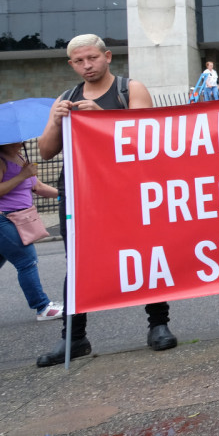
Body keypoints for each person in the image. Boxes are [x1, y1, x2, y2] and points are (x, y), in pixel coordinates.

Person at [35, 34, 178, 366]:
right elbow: (44, 151)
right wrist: (56, 120)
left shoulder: (130, 90)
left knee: (146, 255)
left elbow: (146, 139)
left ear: (107, 56)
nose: (87, 66)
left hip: (126, 190)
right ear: (71, 64)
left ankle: (158, 325)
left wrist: (101, 116)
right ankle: (74, 339)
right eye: (79, 61)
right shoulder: (67, 97)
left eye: (92, 58)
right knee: (79, 263)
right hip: (79, 193)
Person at [0, 141, 63, 323]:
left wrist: (64, 195)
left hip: (20, 219)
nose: (21, 141)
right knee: (27, 261)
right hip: (6, 220)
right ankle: (42, 307)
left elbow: (39, 187)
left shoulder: (20, 158)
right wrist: (22, 176)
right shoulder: (2, 160)